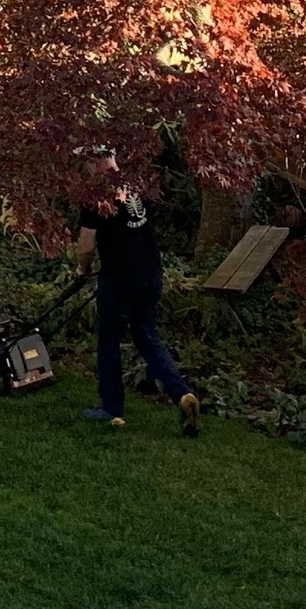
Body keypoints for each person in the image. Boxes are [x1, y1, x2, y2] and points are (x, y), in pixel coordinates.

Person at [73, 146, 200, 435]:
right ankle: (182, 394)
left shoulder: (96, 195)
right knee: (147, 338)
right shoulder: (136, 186)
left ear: (96, 161)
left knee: (109, 341)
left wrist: (82, 270)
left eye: (86, 163)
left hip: (119, 279)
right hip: (150, 274)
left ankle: (111, 408)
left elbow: (86, 245)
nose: (85, 169)